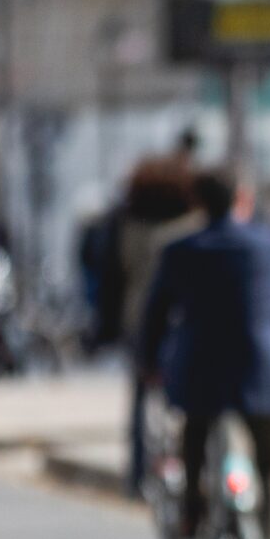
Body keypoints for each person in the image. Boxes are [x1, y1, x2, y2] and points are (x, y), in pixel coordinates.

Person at [136, 168, 270, 539]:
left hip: (200, 373)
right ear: (242, 199)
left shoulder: (179, 249)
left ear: (199, 204)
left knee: (193, 442)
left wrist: (149, 364)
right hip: (262, 369)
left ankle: (192, 515)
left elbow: (154, 316)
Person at [114, 155, 204, 495]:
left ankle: (138, 474)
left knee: (141, 397)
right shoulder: (193, 224)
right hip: (182, 316)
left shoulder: (129, 225)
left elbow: (115, 273)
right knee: (192, 394)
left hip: (139, 316)